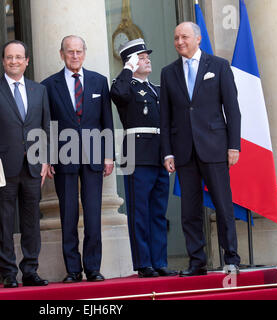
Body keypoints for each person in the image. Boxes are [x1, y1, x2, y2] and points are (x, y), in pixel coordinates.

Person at [160, 22, 241, 277]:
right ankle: (197, 261)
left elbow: (233, 109)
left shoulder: (218, 66)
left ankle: (231, 259)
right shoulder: (168, 72)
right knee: (189, 211)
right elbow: (165, 117)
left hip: (215, 148)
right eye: (175, 38)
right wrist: (168, 152)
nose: (179, 41)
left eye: (184, 36)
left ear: (198, 38)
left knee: (223, 206)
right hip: (184, 151)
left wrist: (233, 145)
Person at [42, 35, 114, 283]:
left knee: (93, 214)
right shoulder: (48, 85)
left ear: (84, 53)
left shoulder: (99, 81)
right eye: (69, 52)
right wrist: (48, 157)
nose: (74, 56)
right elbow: (47, 124)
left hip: (95, 155)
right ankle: (73, 270)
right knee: (68, 214)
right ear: (61, 54)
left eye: (78, 51)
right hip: (64, 156)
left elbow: (107, 120)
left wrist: (109, 155)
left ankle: (93, 268)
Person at [0, 40, 51, 288]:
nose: (14, 61)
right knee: (4, 221)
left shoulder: (39, 90)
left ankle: (30, 270)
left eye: (19, 57)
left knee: (31, 220)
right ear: (3, 61)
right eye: (9, 57)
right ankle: (8, 272)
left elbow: (45, 128)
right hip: (2, 167)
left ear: (27, 61)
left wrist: (45, 160)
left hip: (32, 166)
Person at [111, 39, 177, 278]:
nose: (147, 59)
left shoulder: (157, 89)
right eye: (141, 56)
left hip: (160, 155)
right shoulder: (123, 86)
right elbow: (118, 94)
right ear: (130, 61)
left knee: (158, 212)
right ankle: (144, 263)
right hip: (137, 156)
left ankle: (159, 261)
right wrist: (128, 68)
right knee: (139, 211)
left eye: (147, 56)